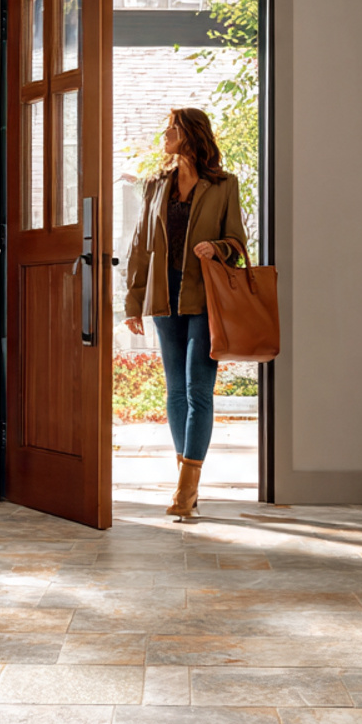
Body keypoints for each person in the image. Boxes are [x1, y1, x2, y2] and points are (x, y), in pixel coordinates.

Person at [124, 107, 249, 519]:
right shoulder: (155, 185)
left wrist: (217, 247)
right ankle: (186, 484)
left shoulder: (224, 184)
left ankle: (185, 489)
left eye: (172, 129)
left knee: (198, 390)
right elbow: (141, 245)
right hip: (165, 298)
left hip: (206, 299)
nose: (165, 135)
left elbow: (238, 241)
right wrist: (133, 302)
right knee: (175, 391)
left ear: (191, 135)